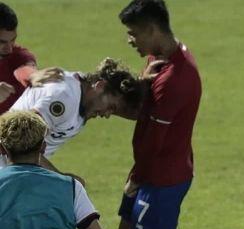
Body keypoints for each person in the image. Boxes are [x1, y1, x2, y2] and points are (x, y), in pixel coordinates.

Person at [115, 0, 202, 229]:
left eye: (133, 33)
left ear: (152, 29)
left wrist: (137, 179)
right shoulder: (159, 58)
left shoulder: (176, 78)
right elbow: (145, 112)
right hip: (149, 171)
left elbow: (155, 139)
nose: (130, 40)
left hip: (162, 177)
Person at [3, 59, 143, 172]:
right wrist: (60, 178)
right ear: (100, 86)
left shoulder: (80, 89)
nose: (106, 114)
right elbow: (19, 140)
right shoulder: (64, 99)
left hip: (18, 169)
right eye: (111, 107)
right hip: (7, 168)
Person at [0, 3, 37, 115]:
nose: (9, 48)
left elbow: (31, 73)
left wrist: (36, 77)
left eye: (13, 40)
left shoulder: (22, 58)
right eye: (2, 42)